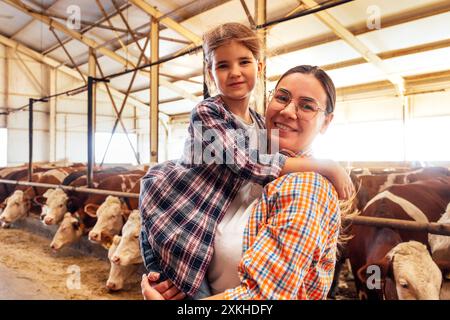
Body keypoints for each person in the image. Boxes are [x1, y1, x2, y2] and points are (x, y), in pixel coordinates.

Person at [139, 22, 353, 299]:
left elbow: (262, 298)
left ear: (259, 67)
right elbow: (248, 164)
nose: (288, 112)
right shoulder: (212, 114)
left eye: (307, 106)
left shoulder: (305, 189)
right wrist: (326, 164)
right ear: (210, 73)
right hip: (172, 216)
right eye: (282, 97)